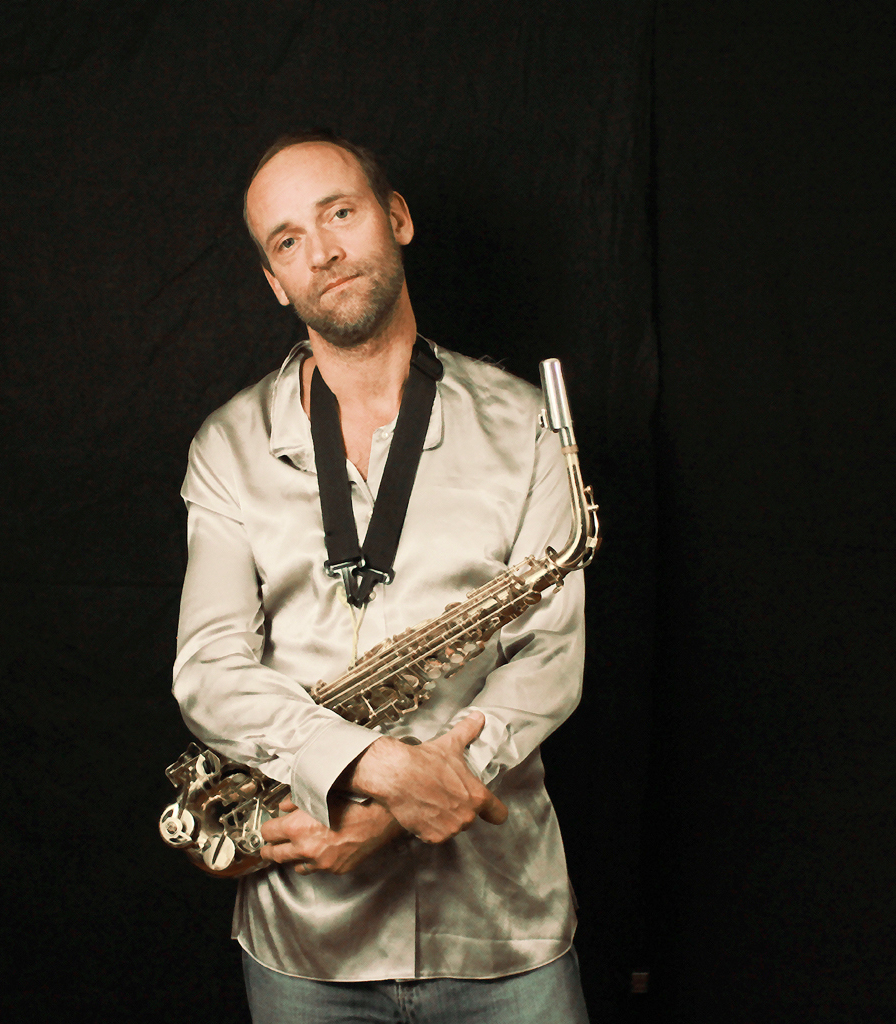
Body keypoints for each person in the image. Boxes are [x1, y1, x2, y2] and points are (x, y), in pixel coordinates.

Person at [172, 130, 590, 1024]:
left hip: (500, 928)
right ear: (274, 280)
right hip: (308, 938)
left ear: (394, 218)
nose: (322, 251)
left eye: (340, 213)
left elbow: (548, 659)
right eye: (288, 240)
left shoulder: (525, 426)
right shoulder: (228, 446)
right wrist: (373, 766)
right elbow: (208, 670)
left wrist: (399, 808)